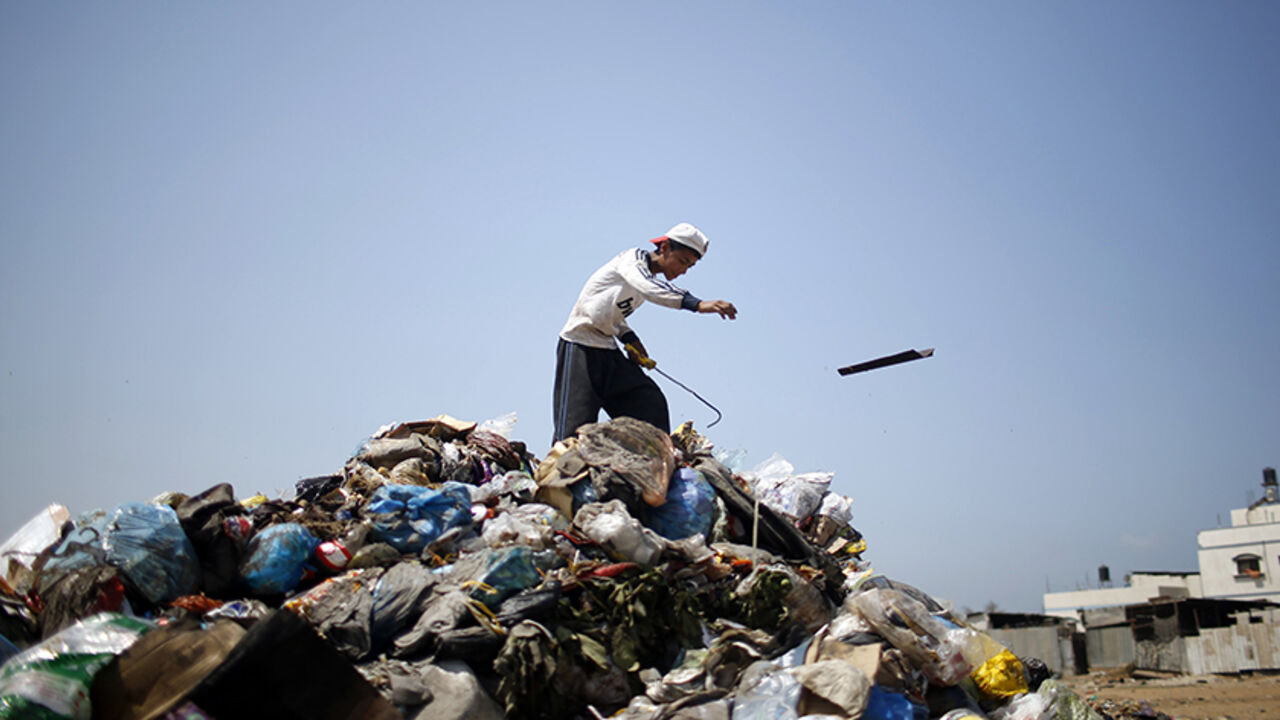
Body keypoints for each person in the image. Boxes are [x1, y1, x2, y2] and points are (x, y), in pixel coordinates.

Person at [553, 222, 737, 442]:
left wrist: (630, 339)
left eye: (689, 266)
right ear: (665, 247)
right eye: (682, 261)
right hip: (580, 347)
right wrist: (697, 304)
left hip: (608, 350)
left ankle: (651, 461)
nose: (683, 270)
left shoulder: (644, 281)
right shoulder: (633, 261)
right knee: (572, 432)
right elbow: (648, 288)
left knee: (649, 401)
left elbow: (610, 313)